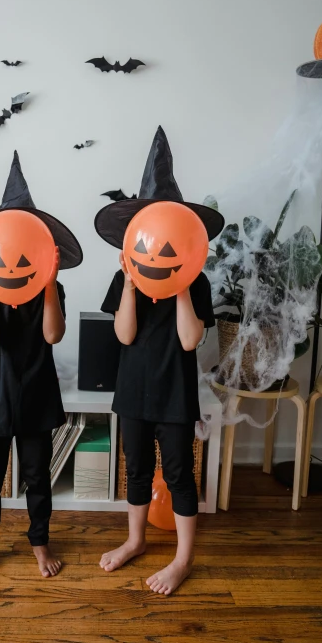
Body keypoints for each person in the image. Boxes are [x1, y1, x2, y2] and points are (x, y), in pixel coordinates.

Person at [94, 127, 224, 596]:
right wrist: (130, 284)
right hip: (132, 387)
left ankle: (183, 559)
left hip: (174, 389)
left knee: (177, 471)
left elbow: (190, 341)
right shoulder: (121, 277)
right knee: (135, 468)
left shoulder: (199, 282)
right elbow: (124, 333)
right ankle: (135, 540)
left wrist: (184, 279)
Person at [0, 151, 83, 586]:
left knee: (36, 475)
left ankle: (39, 541)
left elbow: (52, 335)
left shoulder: (52, 285)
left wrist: (47, 283)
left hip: (37, 391)